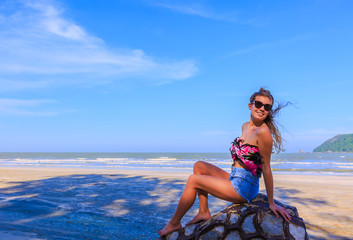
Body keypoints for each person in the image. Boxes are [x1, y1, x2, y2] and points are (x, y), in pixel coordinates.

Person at [158, 88, 291, 237]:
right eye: (258, 104)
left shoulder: (263, 133)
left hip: (244, 187)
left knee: (193, 180)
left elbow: (266, 168)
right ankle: (203, 212)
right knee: (199, 166)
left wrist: (271, 203)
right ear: (250, 105)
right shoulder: (245, 126)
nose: (262, 109)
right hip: (235, 177)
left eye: (267, 107)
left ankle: (174, 223)